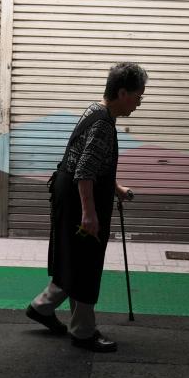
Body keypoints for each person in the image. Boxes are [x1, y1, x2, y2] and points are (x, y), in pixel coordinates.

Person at [26, 62, 147, 352]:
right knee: (86, 264)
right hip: (78, 200)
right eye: (138, 96)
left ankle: (42, 307)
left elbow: (90, 160)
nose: (139, 103)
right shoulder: (103, 124)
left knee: (73, 259)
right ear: (122, 93)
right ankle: (83, 332)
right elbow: (84, 172)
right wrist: (89, 214)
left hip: (67, 195)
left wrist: (115, 188)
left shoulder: (95, 111)